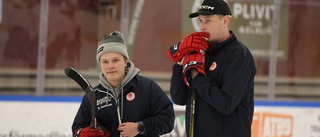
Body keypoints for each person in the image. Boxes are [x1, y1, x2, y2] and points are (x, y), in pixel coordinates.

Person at [167, 0, 256, 137]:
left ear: (225, 20)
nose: (202, 26)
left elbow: (226, 104)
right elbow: (179, 98)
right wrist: (180, 62)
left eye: (208, 20)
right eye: (200, 20)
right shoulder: (201, 52)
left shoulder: (239, 55)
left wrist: (196, 75)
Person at [72, 31, 175, 137]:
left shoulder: (147, 87)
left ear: (125, 61)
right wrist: (83, 133)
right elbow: (77, 129)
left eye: (115, 60)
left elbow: (168, 119)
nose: (110, 66)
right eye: (105, 62)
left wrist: (140, 127)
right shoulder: (93, 96)